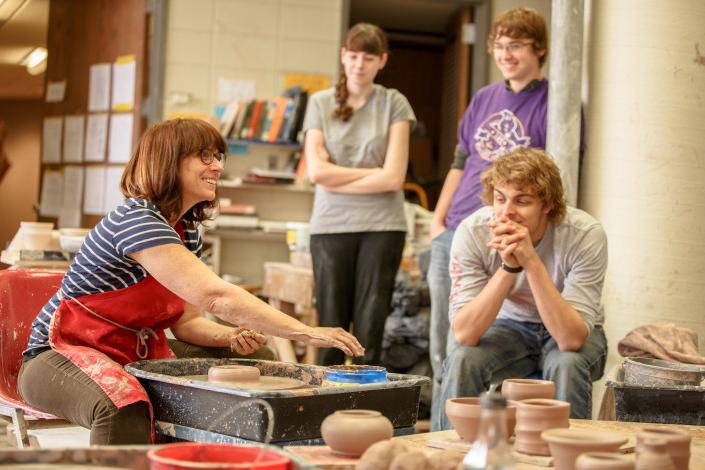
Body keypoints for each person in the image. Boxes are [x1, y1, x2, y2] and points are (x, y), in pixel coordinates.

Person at [18, 118, 364, 445]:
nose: (217, 167)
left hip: (126, 350)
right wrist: (306, 332)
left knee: (254, 356)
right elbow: (216, 297)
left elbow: (188, 322)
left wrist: (231, 336)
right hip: (56, 356)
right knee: (122, 404)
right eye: (204, 157)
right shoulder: (136, 219)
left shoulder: (187, 231)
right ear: (168, 162)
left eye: (217, 157)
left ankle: (200, 455)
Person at [427, 7, 583, 426]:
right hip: (463, 227)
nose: (505, 54)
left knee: (483, 342)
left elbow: (556, 175)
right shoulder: (484, 97)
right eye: (499, 46)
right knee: (450, 341)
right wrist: (438, 219)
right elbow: (460, 161)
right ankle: (446, 428)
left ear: (540, 50)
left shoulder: (556, 100)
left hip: (520, 226)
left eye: (516, 45)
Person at [435, 148, 608, 430]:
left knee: (567, 364)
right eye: (500, 199)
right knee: (462, 359)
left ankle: (567, 455)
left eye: (523, 201)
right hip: (509, 326)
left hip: (569, 328)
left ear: (548, 205)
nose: (507, 212)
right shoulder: (474, 231)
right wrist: (510, 268)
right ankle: (452, 455)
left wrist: (531, 261)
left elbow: (570, 339)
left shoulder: (584, 235)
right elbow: (465, 333)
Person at [303, 22, 416, 366]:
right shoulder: (320, 103)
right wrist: (374, 174)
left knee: (370, 332)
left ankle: (366, 414)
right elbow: (316, 172)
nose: (359, 65)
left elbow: (395, 178)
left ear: (382, 61)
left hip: (383, 227)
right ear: (343, 56)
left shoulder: (394, 103)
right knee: (329, 333)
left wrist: (337, 177)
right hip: (330, 226)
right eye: (353, 56)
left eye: (368, 58)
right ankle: (323, 412)